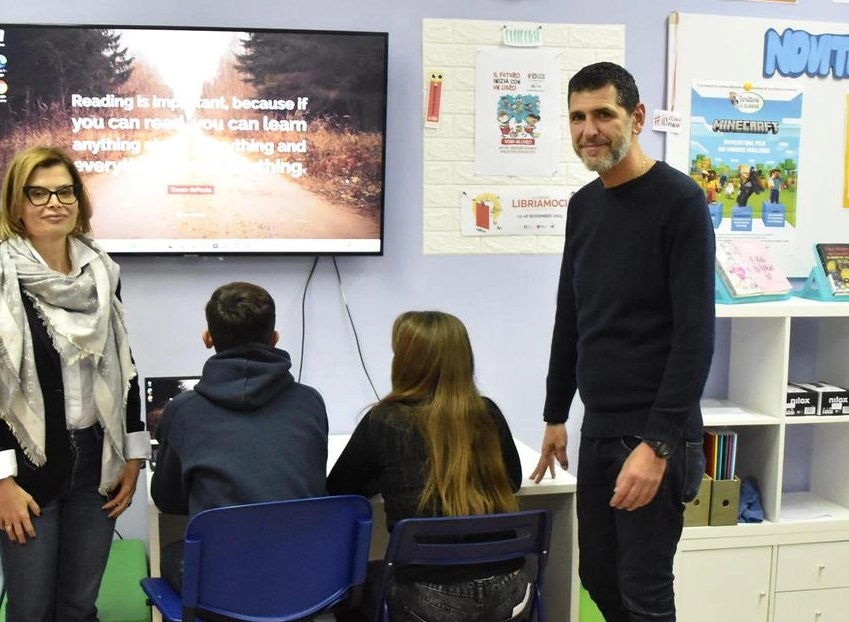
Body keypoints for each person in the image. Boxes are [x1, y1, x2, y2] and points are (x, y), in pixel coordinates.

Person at [530, 62, 713, 622]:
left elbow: (695, 337)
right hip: (600, 425)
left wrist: (657, 446)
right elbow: (572, 315)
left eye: (603, 115)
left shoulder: (679, 201)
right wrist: (556, 413)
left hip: (656, 432)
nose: (590, 130)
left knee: (644, 589)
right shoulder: (584, 205)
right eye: (578, 117)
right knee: (599, 576)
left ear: (635, 118)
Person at [0, 146, 148, 622]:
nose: (53, 203)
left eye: (64, 191)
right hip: (26, 472)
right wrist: (1, 483)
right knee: (31, 609)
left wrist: (134, 453)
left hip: (98, 465)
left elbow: (123, 366)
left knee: (79, 606)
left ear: (79, 200)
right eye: (37, 193)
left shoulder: (103, 273)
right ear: (16, 205)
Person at [328, 311, 529, 622]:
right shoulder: (486, 413)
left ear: (405, 362)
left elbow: (340, 490)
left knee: (351, 589)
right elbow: (512, 481)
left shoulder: (384, 420)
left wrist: (385, 478)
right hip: (509, 591)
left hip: (428, 599)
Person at [150, 281, 329, 591]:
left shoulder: (183, 410)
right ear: (274, 339)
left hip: (221, 586)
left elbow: (167, 500)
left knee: (170, 554)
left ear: (208, 338)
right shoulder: (310, 402)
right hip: (302, 580)